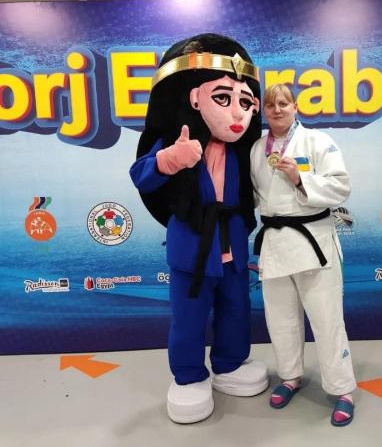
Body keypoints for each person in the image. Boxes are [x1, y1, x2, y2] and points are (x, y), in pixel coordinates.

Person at [130, 33, 268, 424]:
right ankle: (189, 376)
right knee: (189, 316)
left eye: (245, 102)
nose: (237, 113)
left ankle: (229, 364)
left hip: (232, 241)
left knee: (236, 308)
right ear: (194, 98)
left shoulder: (245, 150)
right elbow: (141, 175)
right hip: (192, 243)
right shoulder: (176, 138)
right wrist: (169, 159)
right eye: (222, 98)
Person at [250, 84, 357, 426]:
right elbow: (252, 196)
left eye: (284, 103)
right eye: (271, 105)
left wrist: (300, 179)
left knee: (327, 320)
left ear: (295, 107)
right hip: (274, 242)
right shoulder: (257, 149)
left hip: (313, 241)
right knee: (281, 319)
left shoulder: (317, 142)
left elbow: (341, 186)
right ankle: (290, 376)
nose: (277, 109)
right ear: (264, 111)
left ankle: (342, 390)